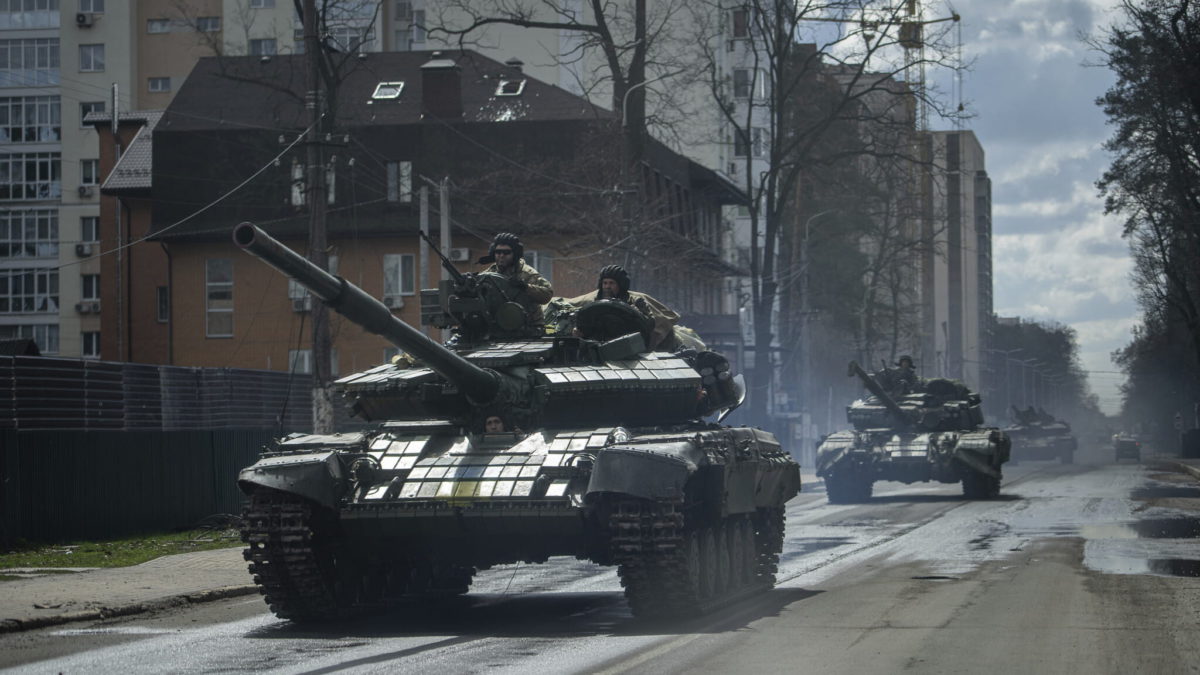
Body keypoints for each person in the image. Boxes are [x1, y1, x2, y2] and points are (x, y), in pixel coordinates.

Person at [568, 265, 685, 351]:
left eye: (612, 283)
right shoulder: (593, 303)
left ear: (621, 285)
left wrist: (637, 313)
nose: (607, 287)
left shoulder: (636, 301)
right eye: (605, 283)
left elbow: (650, 325)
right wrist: (576, 331)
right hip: (598, 347)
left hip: (631, 347)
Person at [477, 232, 553, 323]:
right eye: (498, 252)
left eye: (506, 252)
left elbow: (547, 294)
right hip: (500, 325)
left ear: (515, 254)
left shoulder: (526, 273)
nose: (501, 255)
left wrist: (525, 287)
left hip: (529, 326)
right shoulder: (488, 275)